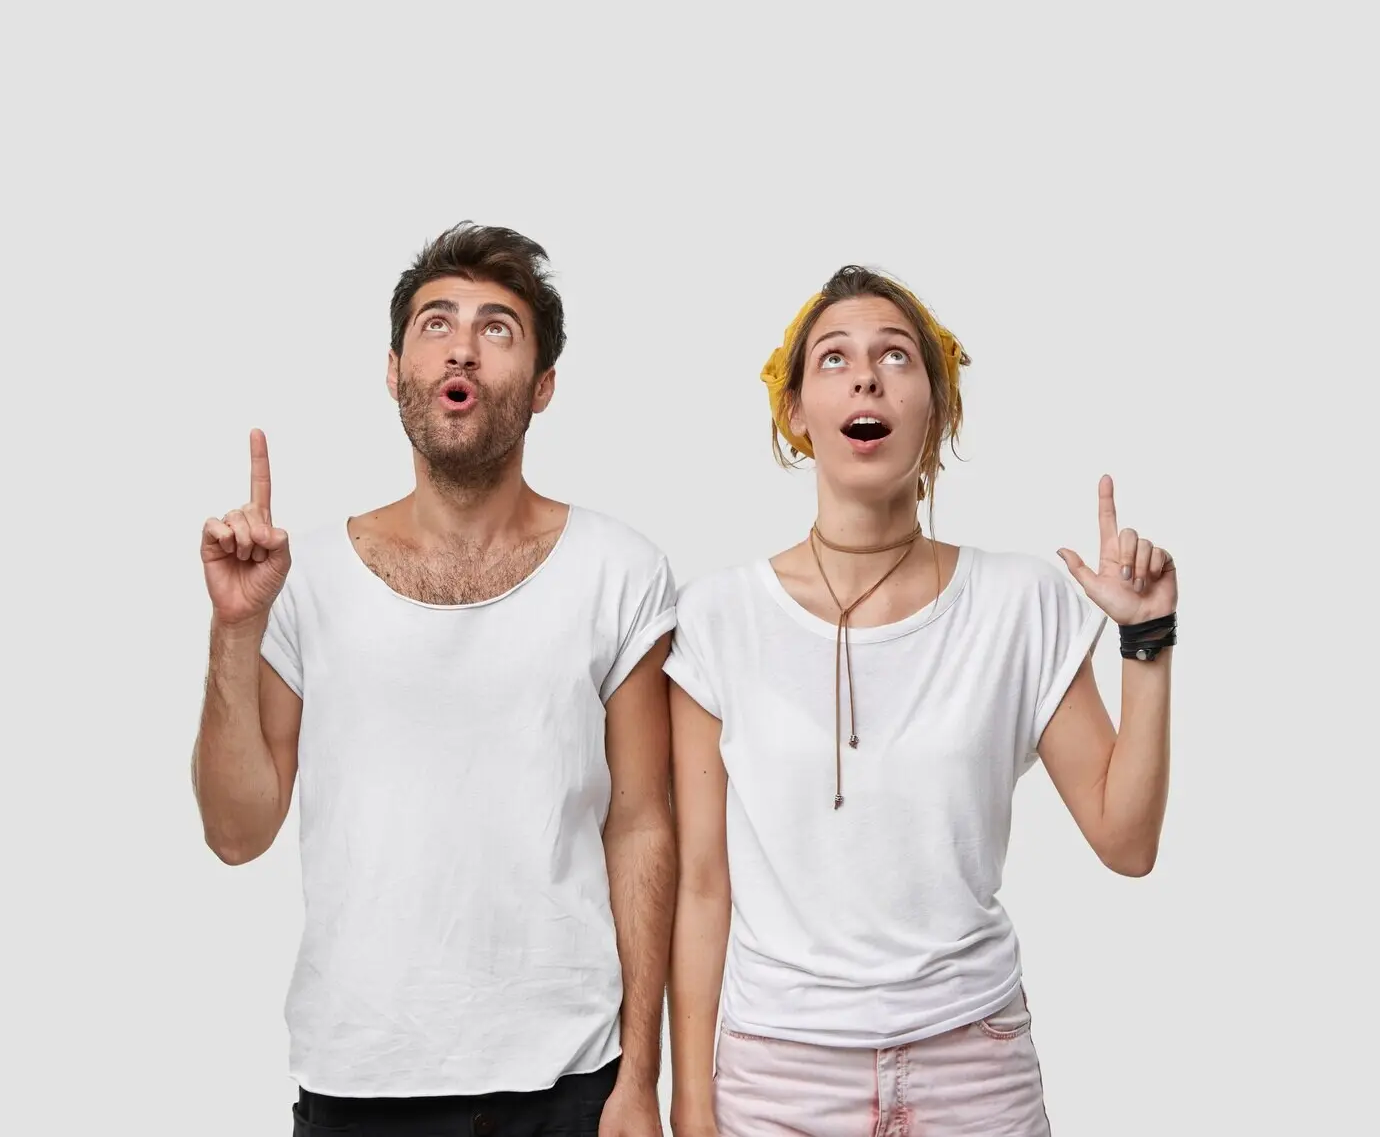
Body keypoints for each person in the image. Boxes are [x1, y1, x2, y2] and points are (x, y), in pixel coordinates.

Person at [665, 265, 1176, 1137]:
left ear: (937, 410)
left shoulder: (1020, 603)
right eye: (834, 358)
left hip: (973, 1065)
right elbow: (702, 884)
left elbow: (1126, 844)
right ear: (795, 411)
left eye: (896, 356)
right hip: (779, 1074)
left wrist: (1147, 640)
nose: (866, 377)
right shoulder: (719, 617)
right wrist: (689, 1100)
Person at [192, 222, 678, 1137]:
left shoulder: (620, 572)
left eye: (497, 327)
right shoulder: (308, 578)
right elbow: (236, 832)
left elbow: (642, 824)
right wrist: (235, 629)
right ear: (394, 371)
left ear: (542, 385)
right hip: (358, 1082)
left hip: (571, 1082)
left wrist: (641, 1078)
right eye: (436, 323)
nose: (462, 346)